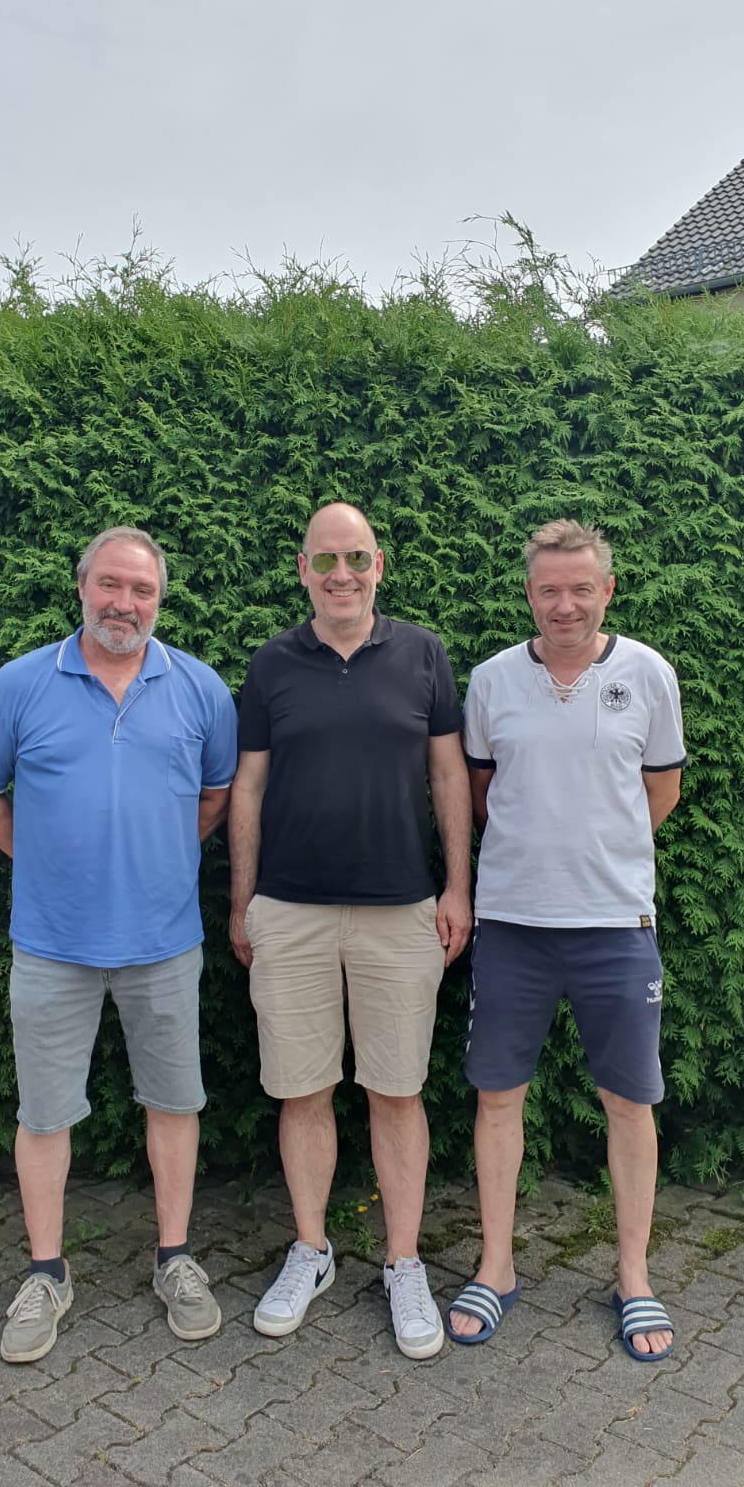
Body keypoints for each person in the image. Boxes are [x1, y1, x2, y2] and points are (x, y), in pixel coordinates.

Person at [0, 526, 237, 1363]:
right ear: (81, 587)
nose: (124, 603)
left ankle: (175, 1259)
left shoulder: (200, 689)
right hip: (51, 945)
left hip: (164, 942)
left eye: (142, 590)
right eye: (110, 585)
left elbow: (216, 796)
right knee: (43, 1114)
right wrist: (49, 864)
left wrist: (157, 863)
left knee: (175, 1103)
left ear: (160, 601)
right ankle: (46, 1273)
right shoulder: (18, 685)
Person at [228, 503, 472, 1361]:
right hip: (289, 911)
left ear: (379, 566)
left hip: (401, 909)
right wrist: (243, 900)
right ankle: (312, 1250)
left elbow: (449, 775)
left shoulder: (424, 654)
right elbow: (247, 787)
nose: (342, 574)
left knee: (396, 1092)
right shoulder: (270, 664)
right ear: (303, 570)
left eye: (357, 558)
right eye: (326, 559)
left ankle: (403, 1263)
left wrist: (458, 886)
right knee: (302, 1091)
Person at [448, 519, 685, 1358]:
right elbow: (482, 793)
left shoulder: (649, 673)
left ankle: (634, 1277)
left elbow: (661, 788)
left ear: (606, 591)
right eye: (549, 589)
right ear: (529, 594)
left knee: (630, 1102)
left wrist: (600, 855)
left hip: (617, 925)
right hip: (513, 924)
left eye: (581, 588)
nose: (565, 604)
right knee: (497, 1097)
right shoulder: (491, 681)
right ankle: (497, 1266)